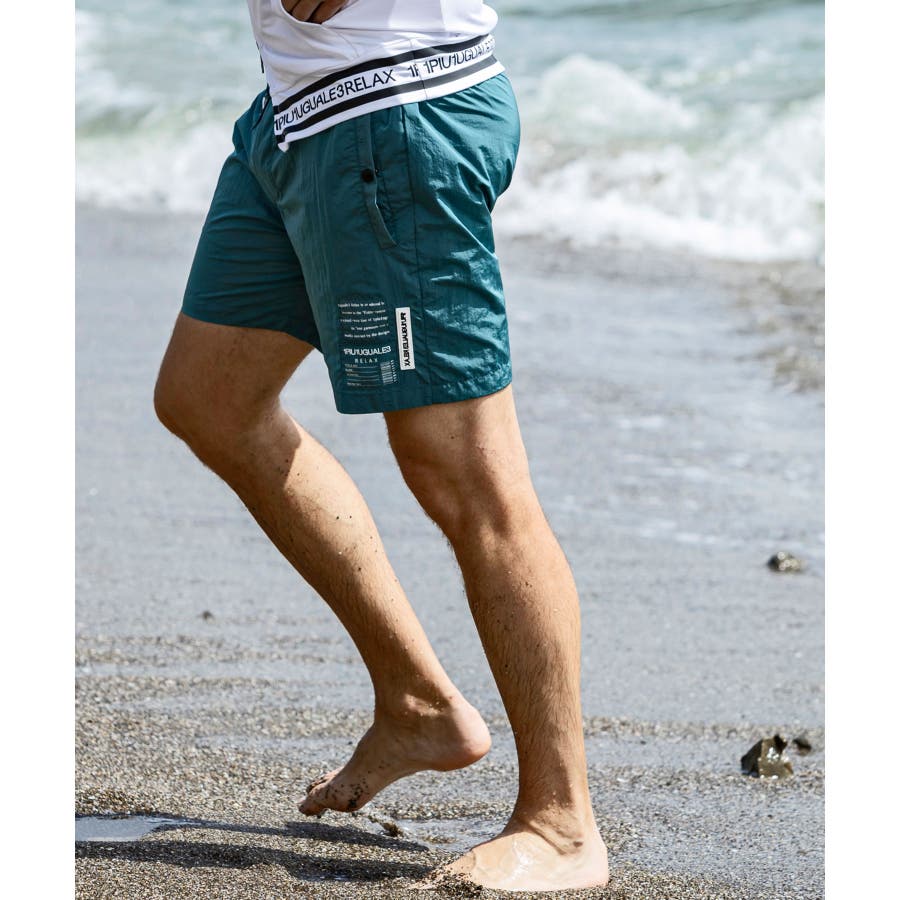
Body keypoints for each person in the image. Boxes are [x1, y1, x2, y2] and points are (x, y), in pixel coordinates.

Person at [153, 0, 609, 890]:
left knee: (469, 481)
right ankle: (418, 702)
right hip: (297, 116)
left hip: (394, 117)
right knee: (208, 398)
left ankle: (563, 825)